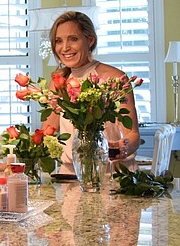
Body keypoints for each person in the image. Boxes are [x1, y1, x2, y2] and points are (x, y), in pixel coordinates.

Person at [43, 11, 140, 175]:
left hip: (112, 172)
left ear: (90, 40)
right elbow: (46, 133)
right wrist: (13, 162)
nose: (65, 47)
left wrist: (124, 147)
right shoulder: (58, 82)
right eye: (59, 41)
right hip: (70, 175)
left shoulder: (115, 78)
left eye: (73, 39)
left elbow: (133, 134)